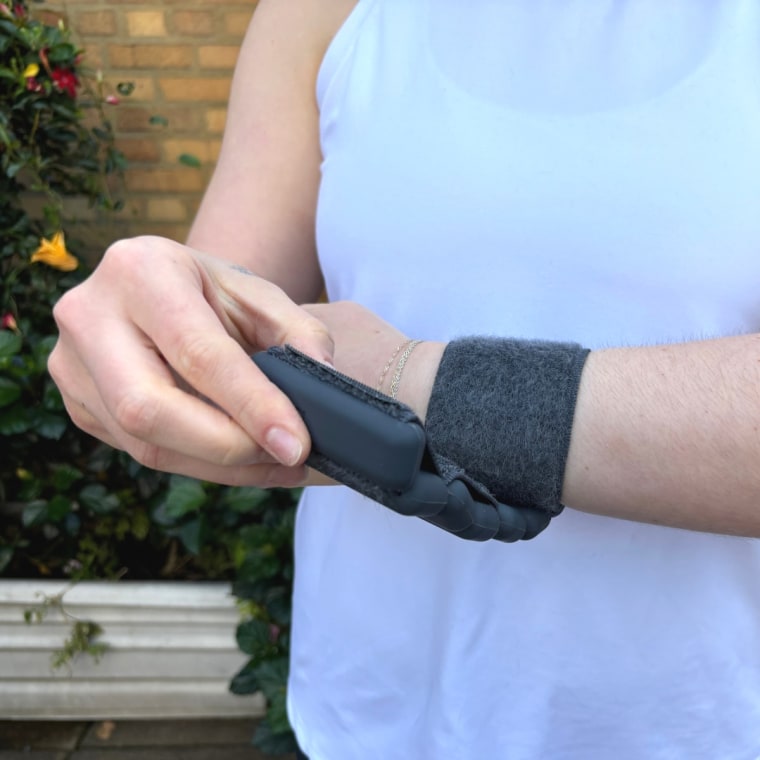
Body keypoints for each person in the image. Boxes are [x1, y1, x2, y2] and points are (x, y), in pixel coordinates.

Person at [48, 0, 760, 757]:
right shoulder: (322, 14)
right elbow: (227, 314)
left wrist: (409, 385)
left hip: (711, 720)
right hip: (379, 713)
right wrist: (156, 319)